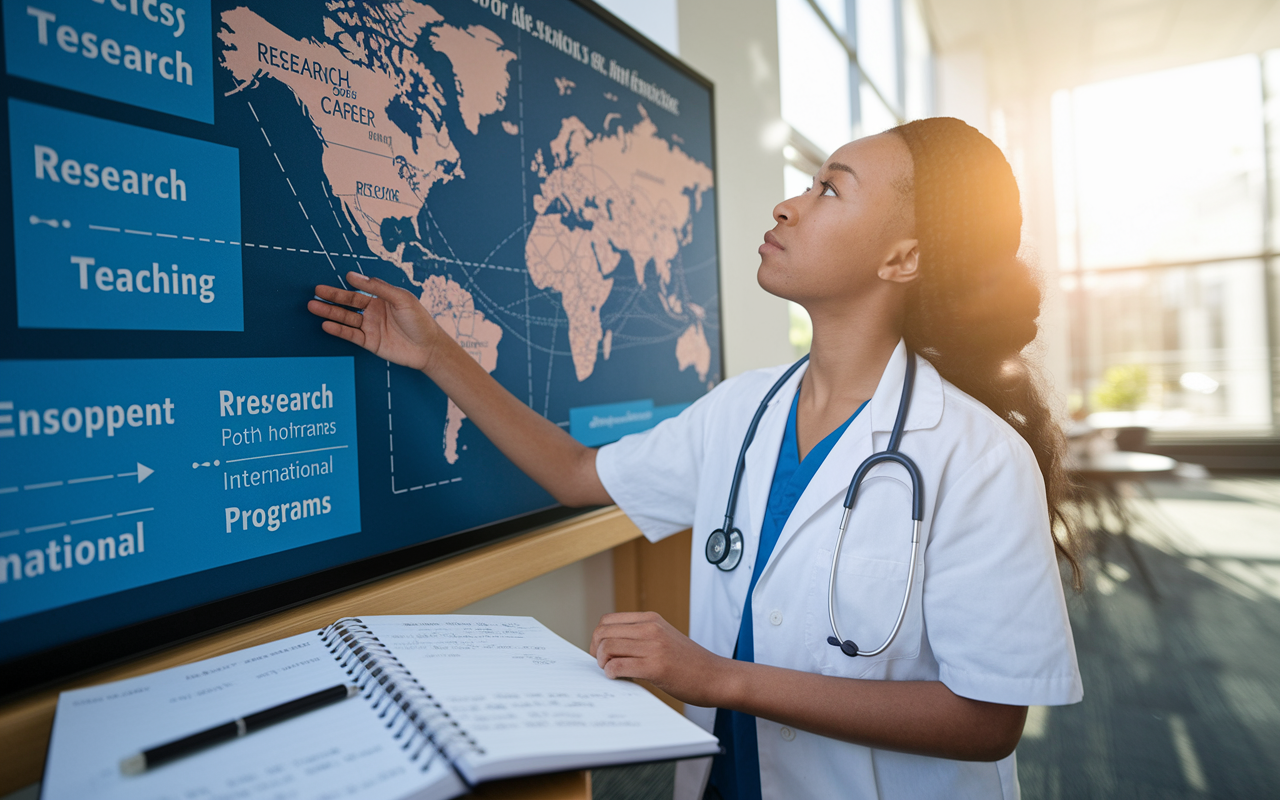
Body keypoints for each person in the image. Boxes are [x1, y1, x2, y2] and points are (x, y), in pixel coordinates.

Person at [308, 116, 1084, 800]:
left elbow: (985, 719)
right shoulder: (742, 410)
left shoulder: (978, 458)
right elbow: (580, 475)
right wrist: (437, 352)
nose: (788, 204)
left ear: (903, 259)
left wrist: (719, 679)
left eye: (830, 191)